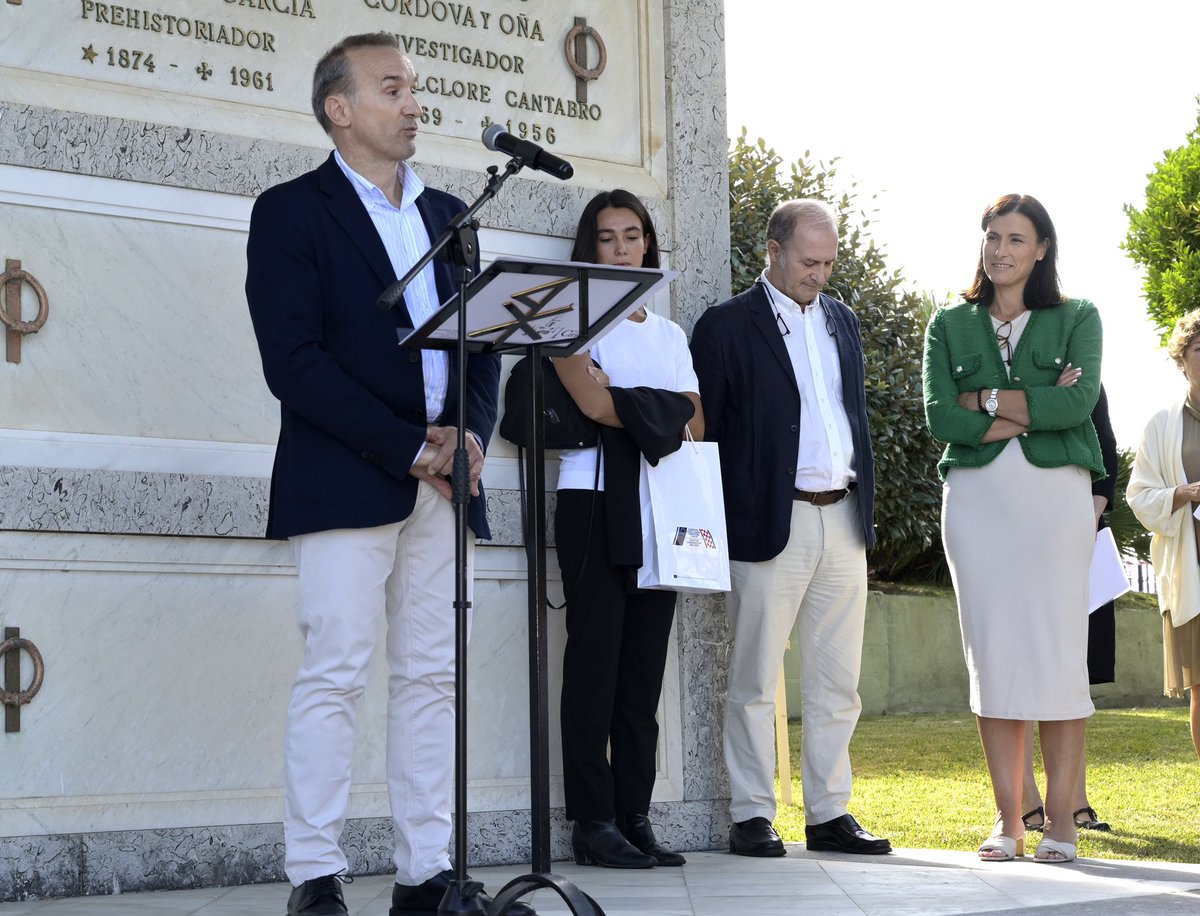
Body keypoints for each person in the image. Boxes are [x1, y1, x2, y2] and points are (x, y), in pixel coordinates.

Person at [244, 33, 532, 916]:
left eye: (416, 88)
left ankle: (425, 875)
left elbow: (482, 346)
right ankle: (315, 879)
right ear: (340, 107)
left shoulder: (451, 212)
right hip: (346, 476)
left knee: (432, 678)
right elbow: (294, 363)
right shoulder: (292, 212)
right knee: (335, 671)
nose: (414, 103)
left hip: (448, 486)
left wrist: (472, 436)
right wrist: (409, 445)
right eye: (393, 87)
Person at [691, 199, 890, 858]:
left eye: (829, 262)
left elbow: (849, 415)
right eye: (809, 261)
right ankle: (752, 814)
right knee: (753, 678)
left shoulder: (843, 320)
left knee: (839, 682)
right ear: (772, 251)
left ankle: (830, 813)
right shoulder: (723, 326)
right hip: (766, 521)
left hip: (844, 518)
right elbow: (705, 435)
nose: (820, 275)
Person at [923, 193, 1104, 864]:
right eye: (993, 236)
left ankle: (1062, 824)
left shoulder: (1078, 316)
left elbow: (1080, 401)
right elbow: (943, 416)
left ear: (1041, 249)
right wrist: (1034, 403)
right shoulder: (948, 323)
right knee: (993, 658)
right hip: (976, 503)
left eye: (1017, 239)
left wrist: (990, 402)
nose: (1001, 250)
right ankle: (1008, 822)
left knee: (1058, 655)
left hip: (1055, 499)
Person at [551, 189, 703, 868]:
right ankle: (592, 822)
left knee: (642, 674)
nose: (621, 247)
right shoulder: (568, 321)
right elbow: (586, 398)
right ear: (590, 248)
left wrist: (624, 402)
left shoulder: (668, 335)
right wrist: (657, 411)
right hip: (590, 503)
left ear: (648, 244)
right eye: (607, 237)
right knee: (594, 669)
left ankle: (634, 815)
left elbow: (699, 421)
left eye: (632, 235)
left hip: (660, 510)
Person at [1021, 385, 1119, 837]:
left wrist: (1089, 515)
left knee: (1071, 672)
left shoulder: (1082, 372)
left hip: (1074, 537)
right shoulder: (992, 357)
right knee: (1015, 668)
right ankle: (1022, 801)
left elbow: (1105, 446)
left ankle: (1073, 799)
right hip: (1013, 532)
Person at [1127, 309, 1200, 763]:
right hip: (1192, 572)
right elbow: (1139, 494)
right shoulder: (1161, 424)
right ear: (1182, 360)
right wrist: (1181, 493)